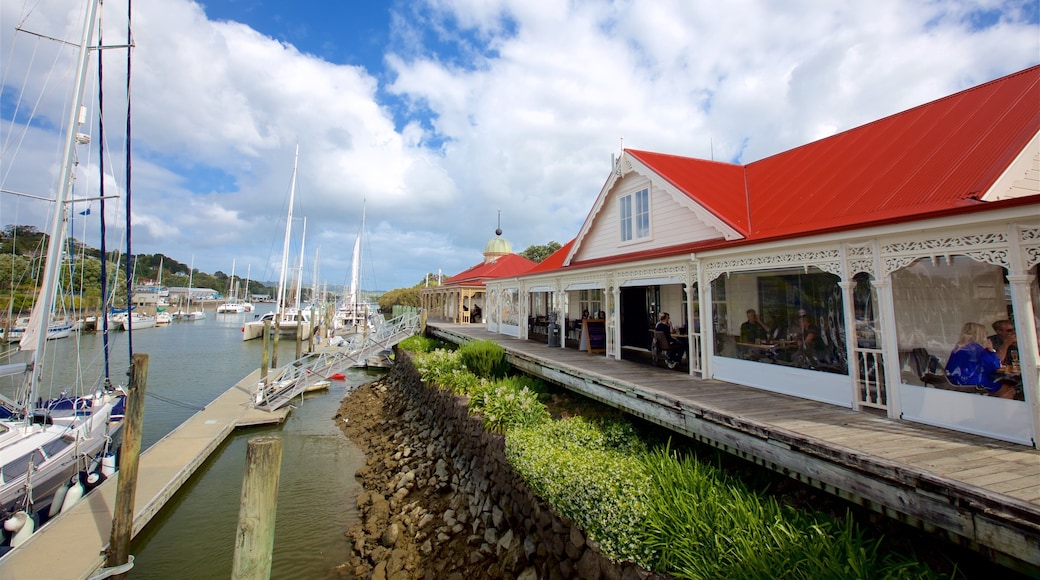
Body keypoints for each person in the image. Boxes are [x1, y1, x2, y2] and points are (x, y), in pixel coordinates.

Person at [946, 322, 1014, 399]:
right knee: (1008, 390)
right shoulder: (976, 348)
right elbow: (995, 365)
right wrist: (991, 350)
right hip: (973, 382)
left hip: (956, 380)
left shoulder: (959, 347)